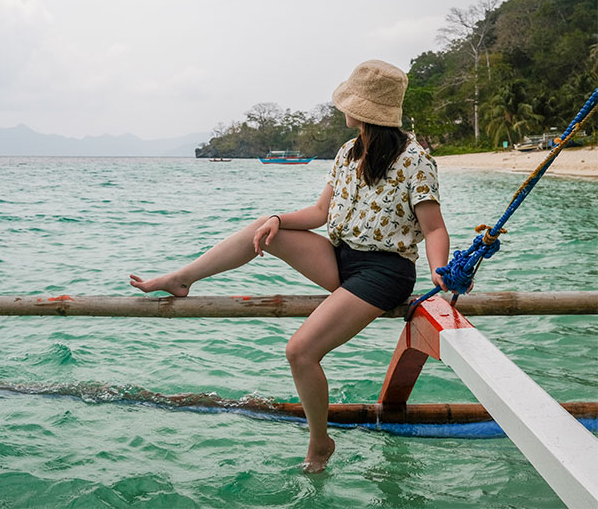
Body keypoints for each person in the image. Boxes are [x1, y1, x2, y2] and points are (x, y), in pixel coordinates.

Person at [129, 60, 451, 473]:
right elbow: (320, 212)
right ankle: (183, 277)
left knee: (300, 351)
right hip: (342, 257)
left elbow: (434, 228)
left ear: (366, 109)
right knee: (265, 228)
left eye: (349, 101)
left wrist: (439, 269)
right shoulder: (349, 152)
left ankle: (321, 442)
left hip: (384, 272)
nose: (343, 108)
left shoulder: (416, 160)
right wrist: (278, 219)